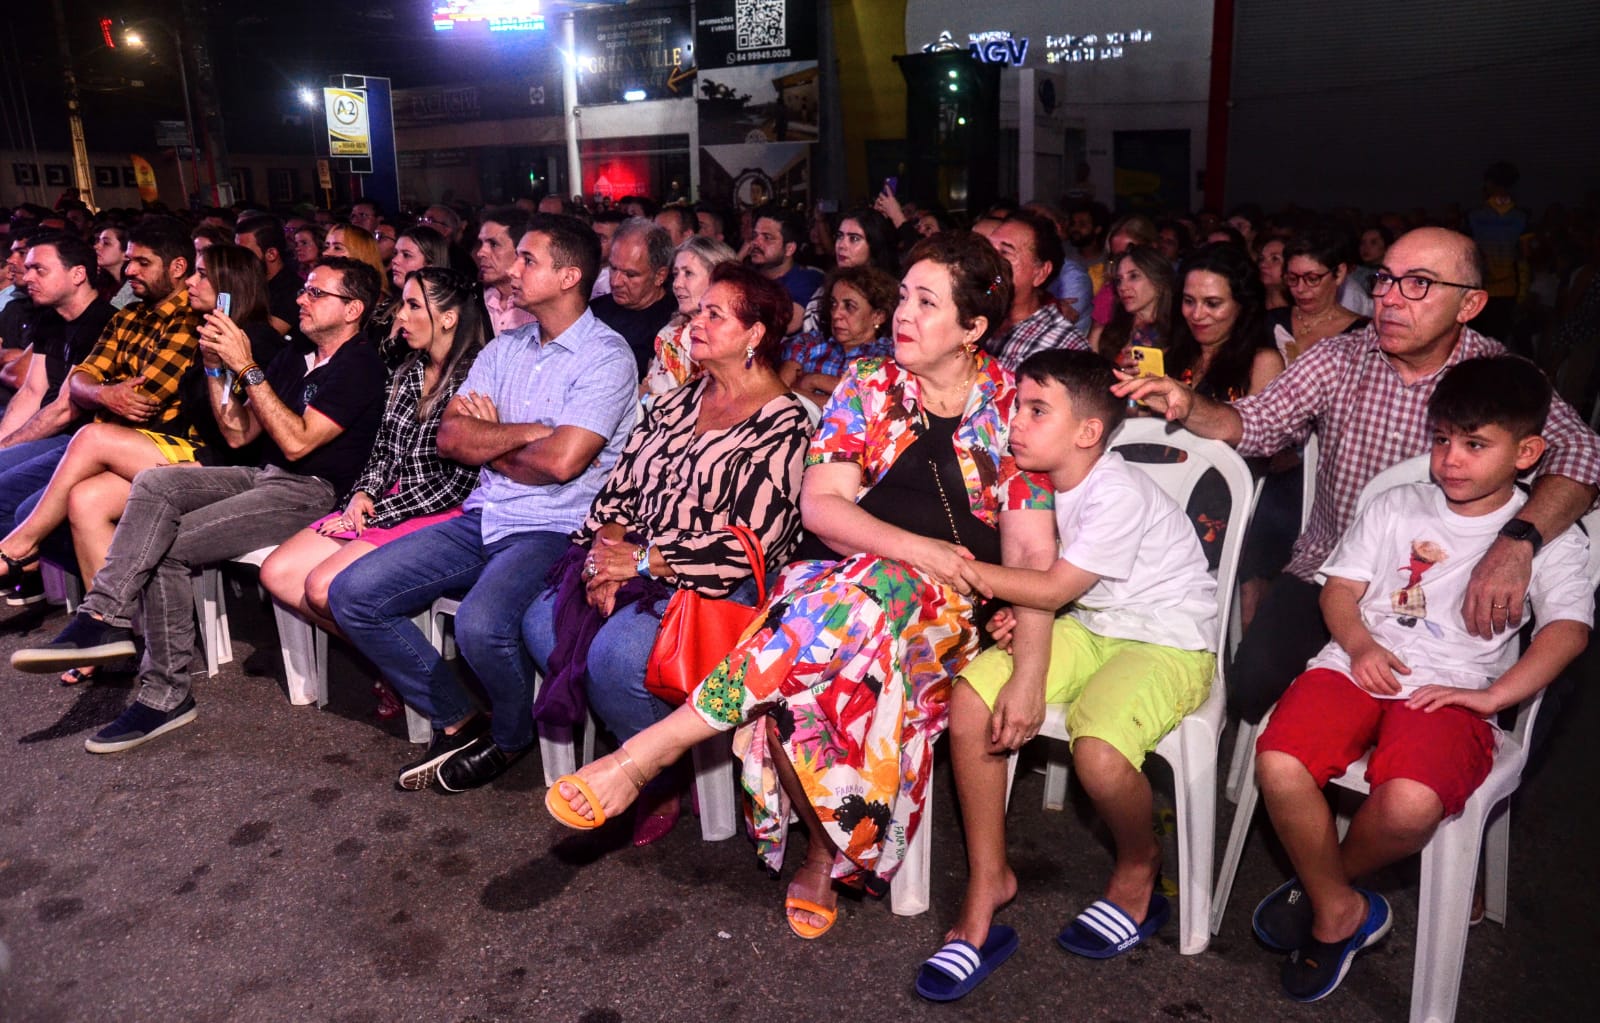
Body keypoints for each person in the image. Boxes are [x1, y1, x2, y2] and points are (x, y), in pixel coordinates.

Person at [545, 232, 1053, 942]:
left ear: (972, 328)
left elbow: (1032, 551)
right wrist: (920, 551)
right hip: (848, 591)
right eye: (903, 295)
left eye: (925, 302)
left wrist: (1026, 664)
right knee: (841, 617)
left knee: (831, 616)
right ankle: (824, 848)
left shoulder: (1016, 406)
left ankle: (648, 756)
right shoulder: (869, 384)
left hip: (953, 614)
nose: (902, 312)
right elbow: (823, 507)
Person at [1114, 227, 1600, 725]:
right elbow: (1256, 424)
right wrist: (1189, 403)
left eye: (1418, 284)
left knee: (1526, 704)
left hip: (1446, 589)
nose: (1389, 299)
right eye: (1385, 280)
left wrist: (1517, 542)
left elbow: (1584, 453)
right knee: (1249, 689)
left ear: (1469, 304)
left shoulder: (1499, 375)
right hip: (1330, 571)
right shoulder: (1341, 356)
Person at [1251, 356, 1591, 1003]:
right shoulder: (1398, 504)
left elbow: (1567, 631)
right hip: (1358, 662)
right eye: (1441, 440)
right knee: (1279, 761)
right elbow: (1341, 591)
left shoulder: (1543, 537)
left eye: (1474, 444)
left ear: (1527, 452)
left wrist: (1493, 695)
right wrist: (1358, 641)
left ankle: (1324, 881)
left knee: (1411, 803)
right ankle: (1339, 908)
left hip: (1455, 684)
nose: (1451, 459)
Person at [917, 351, 1218, 999]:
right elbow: (1052, 587)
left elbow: (1049, 585)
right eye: (1017, 406)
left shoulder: (1116, 491)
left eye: (1035, 409)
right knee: (972, 697)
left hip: (1167, 640)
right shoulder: (1038, 480)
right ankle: (986, 883)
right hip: (1092, 621)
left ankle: (1139, 866)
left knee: (1100, 753)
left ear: (1086, 431)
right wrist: (1019, 605)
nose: (1015, 423)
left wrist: (965, 570)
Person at [11, 257, 389, 754]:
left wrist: (248, 366)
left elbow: (298, 444)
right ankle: (103, 617)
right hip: (264, 474)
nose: (301, 298)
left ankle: (162, 693)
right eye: (304, 290)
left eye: (317, 294)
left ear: (353, 309)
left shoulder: (359, 363)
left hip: (314, 490)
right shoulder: (298, 354)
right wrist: (216, 367)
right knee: (154, 483)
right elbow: (238, 433)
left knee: (166, 545)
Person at [327, 214, 638, 794]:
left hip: (556, 526)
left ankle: (511, 735)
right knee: (353, 594)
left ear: (569, 276)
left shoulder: (606, 356)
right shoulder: (505, 346)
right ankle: (460, 715)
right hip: (486, 513)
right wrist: (530, 434)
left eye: (528, 259)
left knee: (480, 624)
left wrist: (493, 444)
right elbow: (451, 439)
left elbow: (564, 464)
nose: (512, 269)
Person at [524, 263, 811, 846]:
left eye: (714, 314)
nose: (694, 322)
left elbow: (749, 543)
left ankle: (657, 770)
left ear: (755, 335)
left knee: (617, 656)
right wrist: (606, 555)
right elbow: (619, 489)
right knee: (539, 621)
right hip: (634, 561)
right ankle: (652, 752)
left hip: (713, 582)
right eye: (696, 310)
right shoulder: (678, 402)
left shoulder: (784, 423)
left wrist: (641, 562)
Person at [0, 243, 279, 625]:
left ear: (230, 285)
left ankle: (18, 546)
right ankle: (112, 629)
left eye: (201, 275)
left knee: (90, 439)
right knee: (85, 498)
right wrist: (105, 393)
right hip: (188, 450)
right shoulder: (203, 332)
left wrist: (218, 367)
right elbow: (83, 384)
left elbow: (234, 437)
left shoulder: (256, 340)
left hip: (230, 466)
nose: (191, 283)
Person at [260, 267, 487, 714]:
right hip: (388, 502)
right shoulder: (406, 371)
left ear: (447, 318)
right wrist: (364, 494)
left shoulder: (476, 378)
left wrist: (381, 510)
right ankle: (393, 661)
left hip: (442, 513)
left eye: (413, 306)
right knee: (278, 573)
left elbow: (460, 482)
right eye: (403, 304)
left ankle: (429, 684)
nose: (400, 316)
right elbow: (381, 451)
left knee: (324, 587)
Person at [0, 219, 202, 599]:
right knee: (35, 500)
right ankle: (106, 621)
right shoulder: (127, 316)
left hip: (154, 443)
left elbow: (147, 397)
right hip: (100, 441)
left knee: (39, 501)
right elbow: (79, 381)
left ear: (177, 268)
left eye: (142, 263)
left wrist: (98, 392)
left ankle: (22, 554)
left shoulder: (189, 320)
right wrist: (106, 393)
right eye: (128, 262)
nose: (129, 272)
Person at [1165, 243, 1284, 402]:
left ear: (1242, 306)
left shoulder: (1262, 363)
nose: (1197, 314)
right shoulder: (1172, 355)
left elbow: (1255, 426)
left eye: (1212, 303)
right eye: (1189, 301)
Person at [984, 210, 1089, 372]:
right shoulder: (976, 321)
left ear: (1040, 272)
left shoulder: (1061, 346)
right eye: (988, 250)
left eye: (1005, 252)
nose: (989, 260)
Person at [778, 265, 896, 407]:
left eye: (849, 306)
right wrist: (844, 397)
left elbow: (872, 406)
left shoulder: (887, 355)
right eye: (833, 304)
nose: (835, 314)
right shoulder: (808, 343)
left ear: (878, 316)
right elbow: (779, 396)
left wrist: (813, 380)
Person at [641, 235, 738, 396]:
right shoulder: (670, 335)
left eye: (688, 273)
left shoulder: (745, 331)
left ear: (718, 278)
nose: (677, 284)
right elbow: (654, 402)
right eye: (676, 273)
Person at [591, 217, 677, 377]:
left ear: (660, 276)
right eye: (613, 268)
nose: (615, 282)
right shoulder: (592, 312)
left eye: (630, 275)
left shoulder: (674, 324)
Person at [1271, 228, 1368, 365]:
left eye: (1312, 279)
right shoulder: (1271, 322)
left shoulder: (1362, 334)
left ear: (1339, 274)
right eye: (1292, 279)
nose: (1300, 289)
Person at [746, 206, 823, 338]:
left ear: (789, 249)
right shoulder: (747, 276)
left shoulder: (806, 279)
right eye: (755, 235)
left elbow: (786, 324)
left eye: (767, 237)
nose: (756, 243)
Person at [1090, 245, 1175, 363]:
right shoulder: (1112, 325)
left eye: (1134, 276)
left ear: (1158, 282)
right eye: (1119, 280)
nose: (1123, 287)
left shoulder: (1177, 333)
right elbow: (1092, 372)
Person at [234, 214, 301, 337]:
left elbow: (264, 338)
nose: (238, 259)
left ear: (271, 254)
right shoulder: (251, 283)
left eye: (245, 253)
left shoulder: (291, 289)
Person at [473, 207, 535, 337]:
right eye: (481, 243)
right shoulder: (471, 300)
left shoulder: (540, 307)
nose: (480, 253)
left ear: (522, 250)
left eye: (494, 244)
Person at [388, 225, 451, 294]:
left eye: (406, 255)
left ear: (430, 264)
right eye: (395, 253)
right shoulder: (388, 302)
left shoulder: (438, 304)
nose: (395, 260)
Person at [93, 222, 137, 309]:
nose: (96, 246)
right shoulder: (102, 284)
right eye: (98, 241)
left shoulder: (134, 288)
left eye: (106, 243)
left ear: (126, 254)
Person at [1258, 237, 1289, 311]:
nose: (1263, 264)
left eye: (1275, 259)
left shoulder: (1301, 310)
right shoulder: (1250, 307)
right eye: (1262, 259)